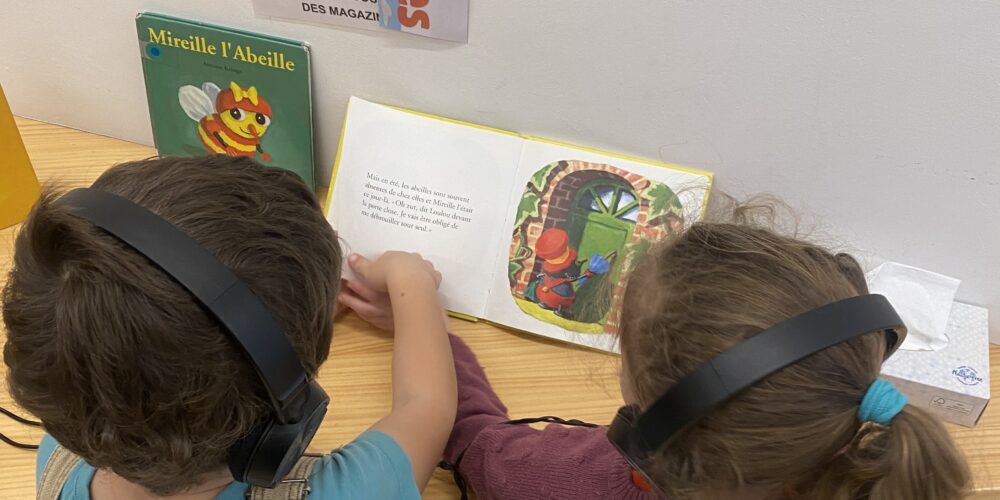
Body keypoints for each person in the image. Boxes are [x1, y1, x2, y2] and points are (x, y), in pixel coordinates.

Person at [341, 201, 972, 500]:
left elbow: (476, 443)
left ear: (646, 422)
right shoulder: (883, 473)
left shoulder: (576, 480)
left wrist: (428, 330)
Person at [2, 155, 456, 499]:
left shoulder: (58, 457)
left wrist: (277, 319)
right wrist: (411, 281)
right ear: (288, 422)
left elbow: (127, 337)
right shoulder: (351, 491)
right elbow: (426, 404)